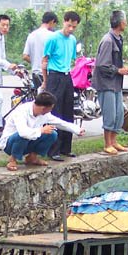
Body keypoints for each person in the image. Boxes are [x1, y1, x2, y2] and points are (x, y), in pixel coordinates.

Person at [0, 91, 84, 172]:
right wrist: (41, 130)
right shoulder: (21, 112)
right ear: (43, 108)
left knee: (52, 134)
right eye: (50, 109)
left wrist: (76, 129)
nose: (50, 111)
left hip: (28, 142)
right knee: (22, 136)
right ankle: (13, 159)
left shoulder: (45, 114)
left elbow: (59, 122)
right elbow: (23, 132)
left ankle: (32, 157)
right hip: (10, 144)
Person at [41, 10, 81, 161]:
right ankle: (53, 150)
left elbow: (71, 59)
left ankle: (66, 148)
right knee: (54, 113)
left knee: (68, 111)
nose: (70, 29)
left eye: (74, 27)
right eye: (69, 25)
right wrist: (45, 81)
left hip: (66, 76)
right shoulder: (52, 38)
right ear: (64, 22)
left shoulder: (72, 40)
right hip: (54, 76)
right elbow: (44, 61)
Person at [93, 10, 128, 155]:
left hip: (116, 83)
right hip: (106, 83)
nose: (126, 24)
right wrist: (119, 70)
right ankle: (107, 143)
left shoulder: (118, 38)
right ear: (121, 23)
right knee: (109, 113)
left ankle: (114, 141)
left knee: (118, 113)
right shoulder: (108, 40)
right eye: (125, 21)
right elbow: (102, 65)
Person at [23, 11, 58, 87]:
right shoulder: (52, 36)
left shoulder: (31, 35)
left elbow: (25, 56)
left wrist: (36, 62)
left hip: (35, 73)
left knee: (39, 97)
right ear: (52, 21)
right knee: (50, 98)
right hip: (48, 73)